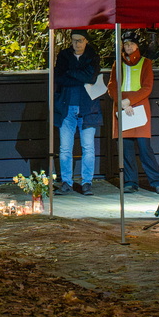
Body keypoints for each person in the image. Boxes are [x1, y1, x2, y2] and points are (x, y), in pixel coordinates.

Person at [107, 31, 159, 194]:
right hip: (122, 107)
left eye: (131, 44)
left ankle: (157, 181)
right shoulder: (117, 63)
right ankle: (130, 182)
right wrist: (121, 102)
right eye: (126, 44)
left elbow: (147, 87)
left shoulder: (145, 62)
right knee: (126, 148)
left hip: (139, 108)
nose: (129, 47)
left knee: (144, 147)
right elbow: (112, 86)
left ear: (137, 45)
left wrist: (129, 101)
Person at [54, 30, 101, 196]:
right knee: (65, 148)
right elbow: (59, 78)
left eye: (80, 40)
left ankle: (87, 182)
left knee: (88, 147)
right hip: (66, 107)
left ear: (86, 40)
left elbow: (92, 77)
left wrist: (70, 72)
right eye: (74, 40)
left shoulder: (92, 55)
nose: (77, 44)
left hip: (88, 108)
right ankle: (66, 181)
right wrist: (81, 75)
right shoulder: (64, 55)